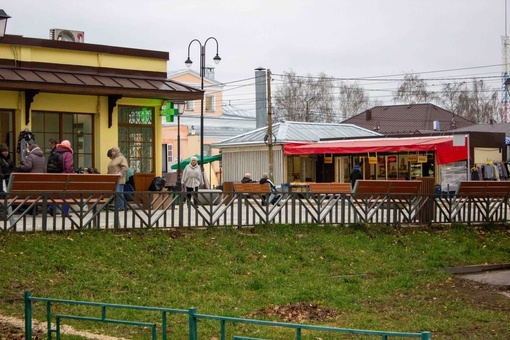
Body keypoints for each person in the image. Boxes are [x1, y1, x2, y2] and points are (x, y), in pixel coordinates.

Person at [48, 140, 74, 216]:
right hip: (65, 176)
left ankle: (52, 207)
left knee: (58, 193)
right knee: (66, 194)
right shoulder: (68, 154)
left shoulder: (55, 153)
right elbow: (69, 167)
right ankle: (65, 211)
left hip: (56, 176)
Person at [107, 146, 129, 210]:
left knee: (119, 192)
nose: (112, 152)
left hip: (119, 178)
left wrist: (120, 173)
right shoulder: (113, 159)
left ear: (117, 151)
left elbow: (125, 167)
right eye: (112, 151)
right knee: (116, 193)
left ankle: (120, 206)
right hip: (113, 179)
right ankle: (118, 206)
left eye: (113, 151)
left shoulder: (121, 158)